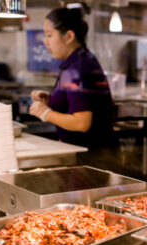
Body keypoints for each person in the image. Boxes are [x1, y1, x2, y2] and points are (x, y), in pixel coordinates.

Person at [29, 5, 114, 147]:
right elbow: (79, 103)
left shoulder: (78, 67)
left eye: (49, 35)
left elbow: (82, 123)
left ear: (69, 36)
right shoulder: (79, 60)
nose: (45, 41)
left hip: (92, 156)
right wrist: (51, 100)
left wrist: (45, 113)